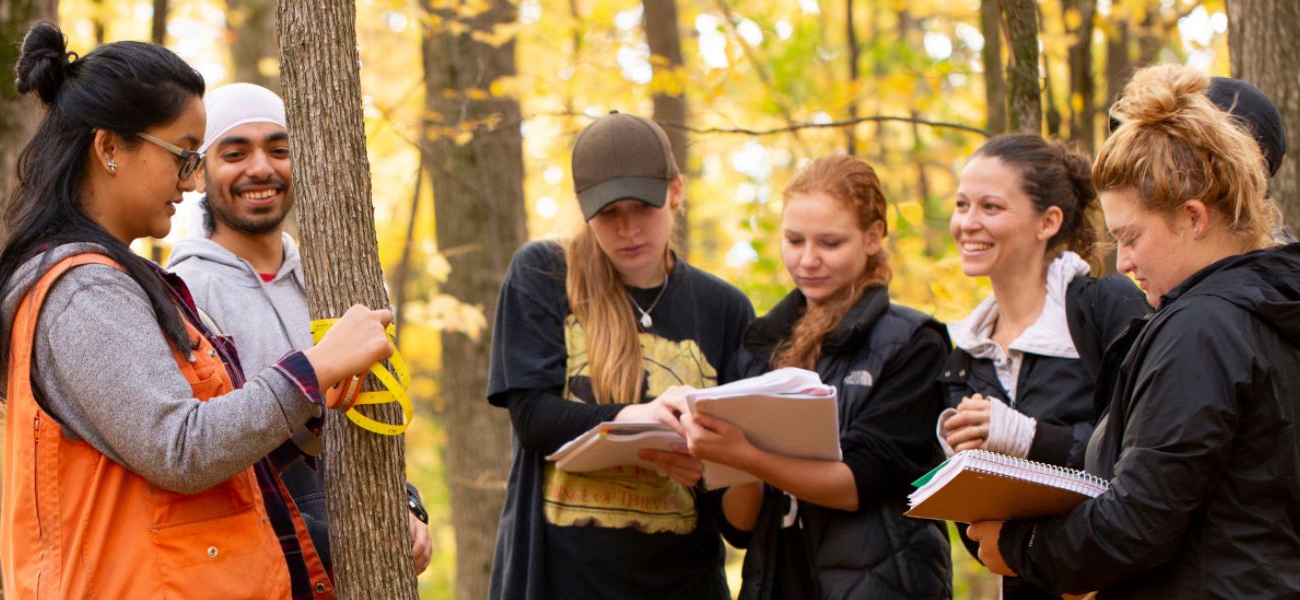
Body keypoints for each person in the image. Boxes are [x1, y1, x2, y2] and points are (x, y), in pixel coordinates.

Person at [0, 25, 393, 599]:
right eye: (184, 156)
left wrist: (305, 412)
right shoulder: (83, 292)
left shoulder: (117, 279)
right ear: (110, 148)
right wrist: (311, 370)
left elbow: (166, 465)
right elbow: (178, 448)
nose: (191, 182)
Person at [965, 64, 1300, 598]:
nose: (1121, 261)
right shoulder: (1296, 310)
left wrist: (1020, 547)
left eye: (1131, 237)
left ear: (1194, 218)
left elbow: (1137, 524)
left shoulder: (1202, 328)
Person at [164, 82, 433, 580]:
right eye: (235, 152)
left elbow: (368, 426)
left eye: (279, 150)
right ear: (199, 172)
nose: (261, 168)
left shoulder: (335, 281)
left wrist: (408, 507)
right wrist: (346, 538)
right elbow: (202, 454)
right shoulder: (183, 295)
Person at [485, 111, 754, 599]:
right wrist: (637, 416)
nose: (628, 229)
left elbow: (738, 511)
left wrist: (707, 468)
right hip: (559, 583)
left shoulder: (725, 309)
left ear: (676, 191)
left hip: (683, 584)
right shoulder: (544, 275)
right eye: (609, 214)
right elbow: (532, 419)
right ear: (585, 210)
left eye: (643, 207)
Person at [682, 155, 951, 599]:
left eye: (829, 242)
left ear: (873, 236)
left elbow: (855, 484)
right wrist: (716, 452)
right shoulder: (759, 344)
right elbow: (739, 525)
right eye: (793, 240)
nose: (808, 260)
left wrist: (746, 455)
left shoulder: (914, 343)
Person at [935, 134, 1151, 598]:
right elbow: (981, 543)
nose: (967, 223)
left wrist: (1027, 438)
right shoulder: (963, 358)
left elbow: (1147, 456)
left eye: (990, 207)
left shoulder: (1105, 309)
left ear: (1048, 221)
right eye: (961, 205)